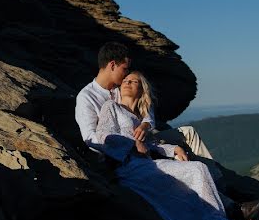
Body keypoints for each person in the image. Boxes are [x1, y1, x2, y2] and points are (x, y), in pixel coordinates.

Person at [95, 71, 259, 220]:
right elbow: (104, 137)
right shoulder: (111, 107)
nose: (127, 83)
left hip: (149, 163)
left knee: (198, 168)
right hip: (130, 166)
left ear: (142, 89)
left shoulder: (141, 118)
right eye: (125, 80)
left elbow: (152, 144)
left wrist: (174, 148)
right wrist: (132, 146)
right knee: (186, 180)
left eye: (134, 81)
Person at [74, 42, 214, 159]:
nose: (127, 73)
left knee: (188, 133)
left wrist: (145, 125)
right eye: (125, 69)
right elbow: (90, 138)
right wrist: (130, 146)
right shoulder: (87, 97)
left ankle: (216, 176)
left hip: (146, 140)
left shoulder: (120, 87)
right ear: (112, 65)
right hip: (123, 154)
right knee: (178, 152)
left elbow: (146, 107)